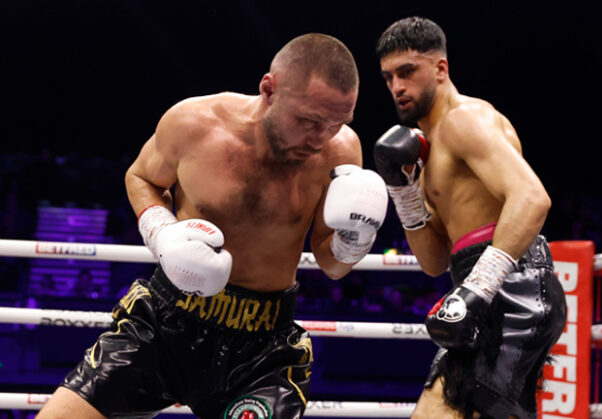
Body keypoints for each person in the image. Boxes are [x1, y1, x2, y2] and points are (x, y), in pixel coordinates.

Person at [37, 33, 388, 419]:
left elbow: (332, 265)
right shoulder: (193, 124)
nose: (321, 140)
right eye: (309, 121)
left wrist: (354, 243)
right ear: (269, 89)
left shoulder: (342, 152)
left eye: (337, 123)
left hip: (262, 348)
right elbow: (141, 177)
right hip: (165, 322)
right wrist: (162, 234)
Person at [373, 17, 567, 419]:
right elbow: (433, 261)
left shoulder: (465, 120)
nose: (397, 87)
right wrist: (404, 192)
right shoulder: (425, 156)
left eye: (407, 72)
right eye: (389, 76)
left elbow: (532, 198)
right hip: (480, 291)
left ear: (441, 69)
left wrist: (477, 289)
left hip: (513, 288)